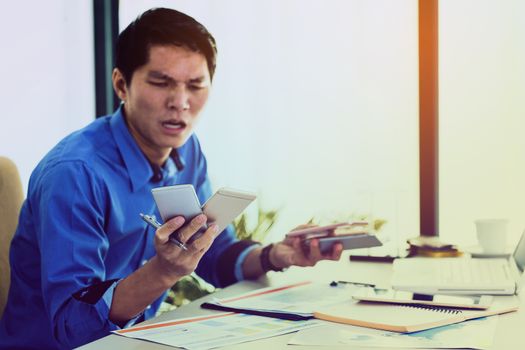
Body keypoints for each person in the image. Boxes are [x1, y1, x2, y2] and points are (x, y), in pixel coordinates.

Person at [0, 8, 342, 349]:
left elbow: (213, 255)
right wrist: (163, 271)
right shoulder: (75, 173)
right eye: (161, 82)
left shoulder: (185, 149)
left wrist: (274, 256)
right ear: (121, 84)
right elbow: (72, 327)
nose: (180, 103)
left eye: (195, 85)